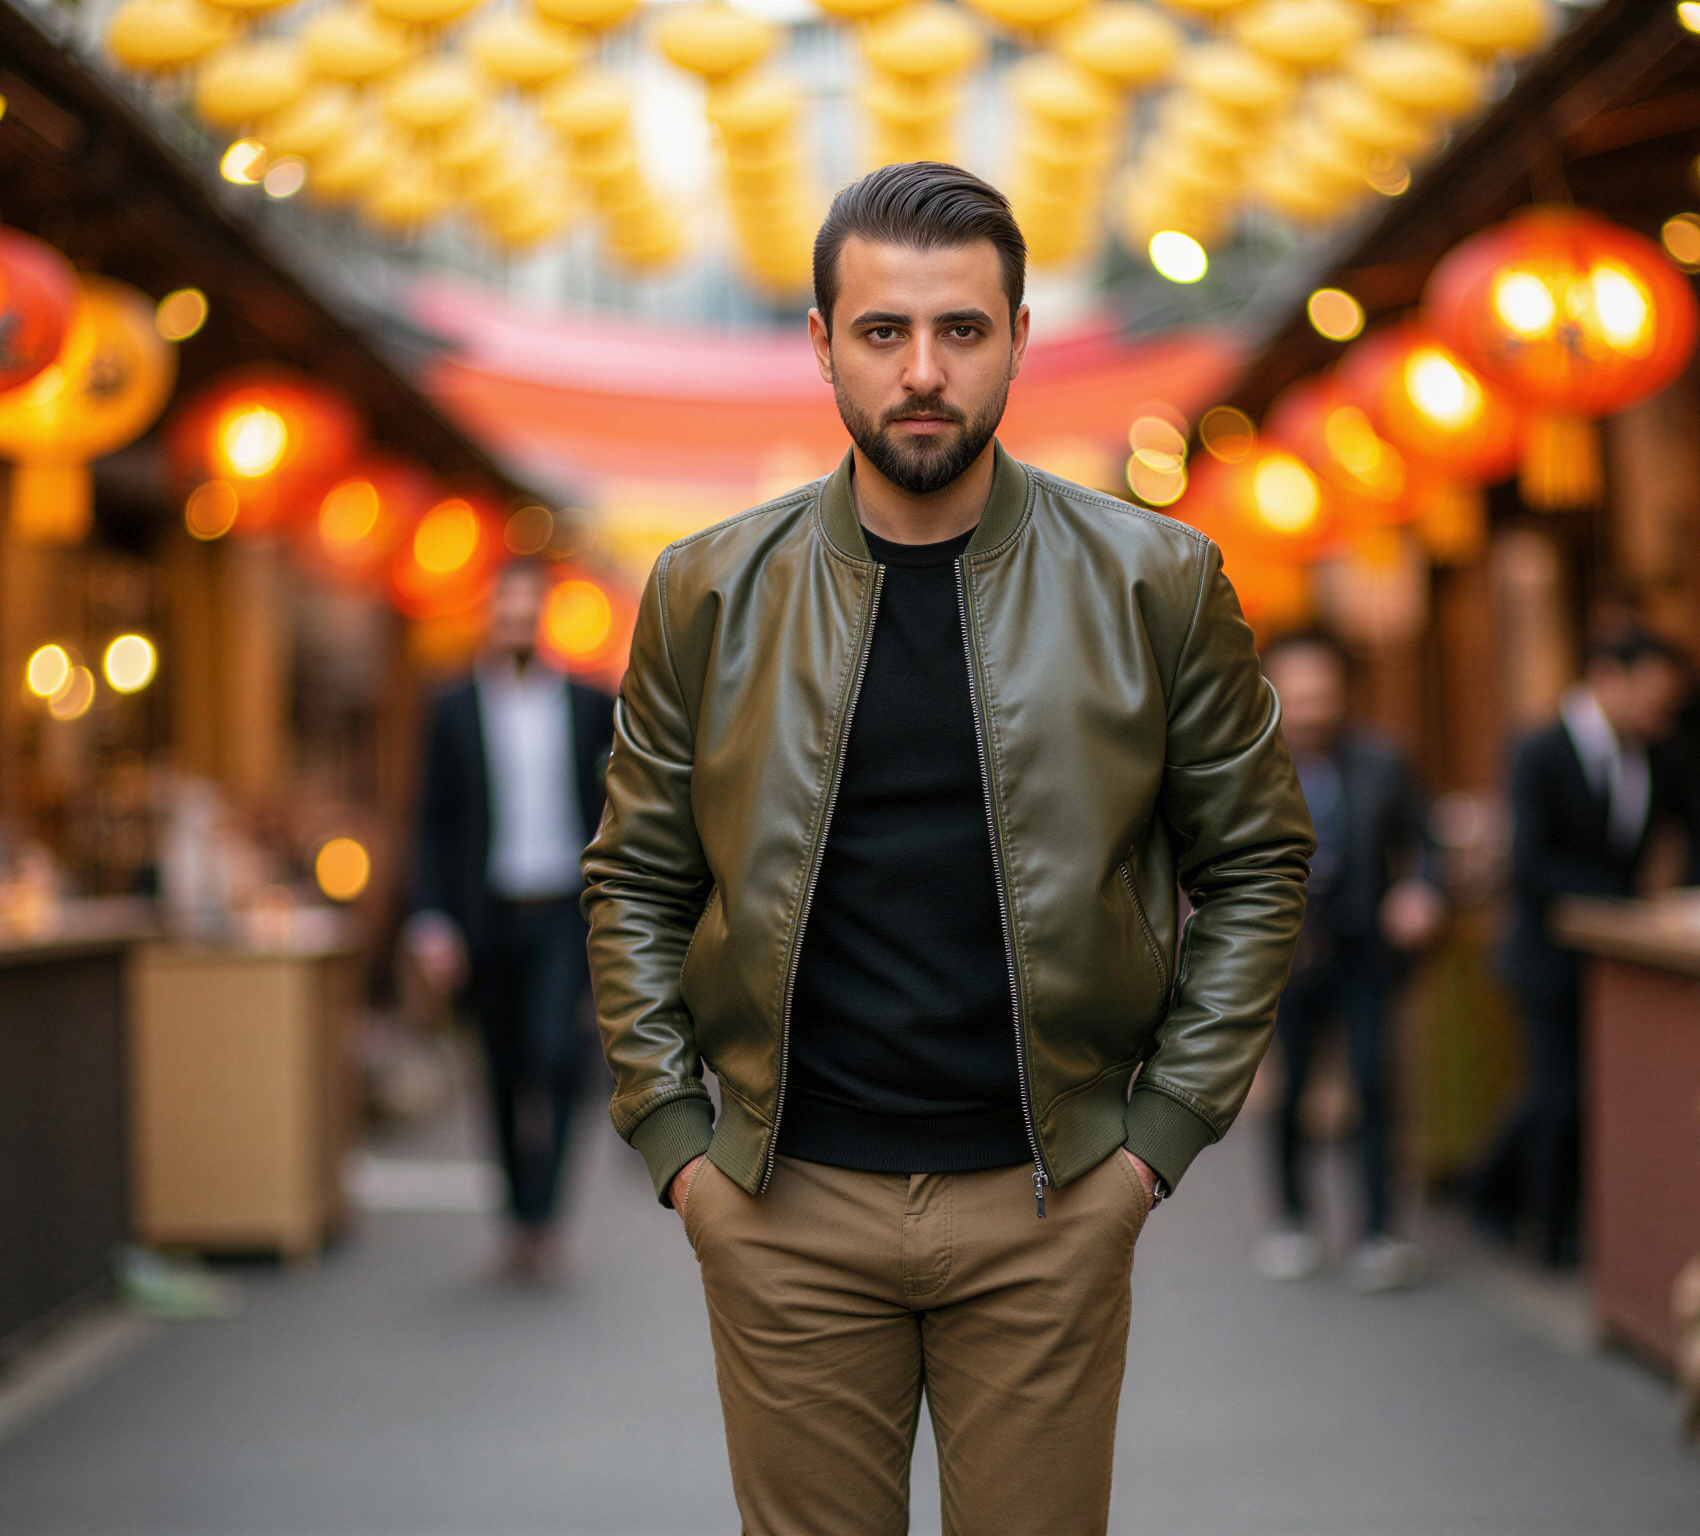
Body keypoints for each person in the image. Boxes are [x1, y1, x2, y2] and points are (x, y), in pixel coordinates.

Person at [583, 162, 1313, 1536]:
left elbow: (1258, 861)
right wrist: (679, 1142)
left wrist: (1154, 1142)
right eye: (883, 331)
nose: (923, 371)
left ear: (1022, 338)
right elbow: (636, 876)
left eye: (963, 330)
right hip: (783, 1202)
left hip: (1048, 1204)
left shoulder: (1154, 582)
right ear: (820, 345)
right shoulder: (708, 590)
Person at [408, 559, 614, 1282]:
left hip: (562, 909)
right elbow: (431, 822)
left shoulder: (590, 704)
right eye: (507, 611)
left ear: (545, 616)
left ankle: (545, 1217)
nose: (518, 624)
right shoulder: (453, 706)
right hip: (486, 912)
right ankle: (517, 1217)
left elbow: (619, 809)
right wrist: (430, 919)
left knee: (554, 1055)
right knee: (498, 1067)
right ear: (489, 617)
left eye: (531, 611)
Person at [1472, 628, 1699, 1267]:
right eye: (1654, 697)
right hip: (1545, 956)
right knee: (1559, 1092)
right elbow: (1532, 861)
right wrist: (1623, 899)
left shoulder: (1659, 752)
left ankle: (1497, 1192)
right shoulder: (1539, 750)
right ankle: (1546, 1233)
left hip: (1617, 958)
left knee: (1578, 1088)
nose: (1663, 713)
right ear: (1608, 679)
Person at [1252, 632, 1443, 1293]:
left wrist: (1421, 890)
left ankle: (1379, 1230)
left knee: (1373, 1080)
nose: (1312, 708)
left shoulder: (1382, 760)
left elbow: (1427, 844)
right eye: (1298, 694)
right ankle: (1291, 1219)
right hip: (1286, 953)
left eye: (1323, 693)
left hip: (1364, 947)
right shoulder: (1242, 762)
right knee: (1293, 1087)